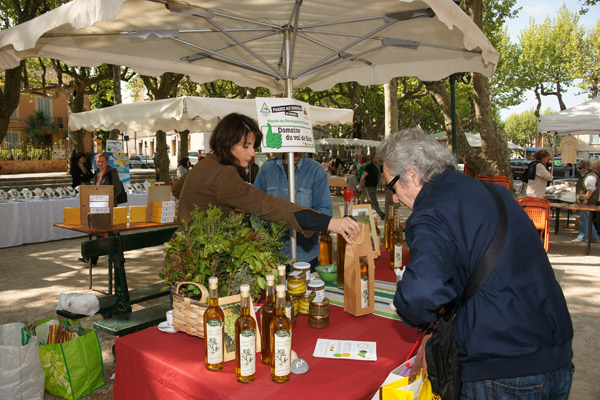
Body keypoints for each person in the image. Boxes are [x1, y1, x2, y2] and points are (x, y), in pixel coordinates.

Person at [379, 129, 573, 399]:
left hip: (503, 368)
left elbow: (420, 294)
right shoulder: (493, 191)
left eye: (392, 186)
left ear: (411, 173)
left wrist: (412, 313)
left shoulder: (429, 212)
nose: (395, 198)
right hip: (556, 353)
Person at [174, 113, 359, 245]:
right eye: (246, 146)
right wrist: (329, 222)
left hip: (184, 250)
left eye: (253, 146)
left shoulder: (208, 163)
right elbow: (267, 204)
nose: (253, 153)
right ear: (227, 143)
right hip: (198, 260)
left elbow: (177, 189)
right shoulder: (224, 173)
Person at [254, 152, 332, 270]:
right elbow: (255, 206)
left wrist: (321, 224)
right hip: (272, 256)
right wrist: (259, 230)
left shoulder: (316, 170)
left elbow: (325, 208)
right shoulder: (267, 169)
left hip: (305, 256)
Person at [572, 159, 600, 243]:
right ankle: (594, 237)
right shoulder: (588, 175)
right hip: (588, 201)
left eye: (580, 168)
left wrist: (586, 199)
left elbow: (591, 189)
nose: (578, 170)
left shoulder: (590, 176)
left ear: (585, 168)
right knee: (587, 219)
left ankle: (582, 237)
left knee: (584, 219)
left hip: (587, 201)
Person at [358, 154, 385, 219]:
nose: (378, 159)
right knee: (374, 202)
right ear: (373, 159)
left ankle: (363, 215)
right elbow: (363, 176)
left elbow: (380, 176)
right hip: (369, 187)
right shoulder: (369, 166)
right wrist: (360, 186)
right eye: (377, 158)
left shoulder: (376, 167)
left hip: (374, 187)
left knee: (370, 202)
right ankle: (382, 215)